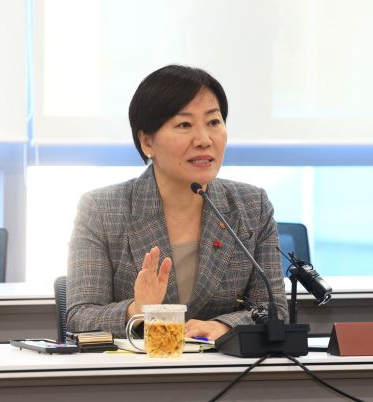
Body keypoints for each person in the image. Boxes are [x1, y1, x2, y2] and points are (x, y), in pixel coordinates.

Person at [66, 65, 289, 340]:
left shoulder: (252, 206)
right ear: (147, 142)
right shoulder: (103, 209)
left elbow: (274, 309)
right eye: (184, 125)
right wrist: (137, 310)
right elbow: (80, 317)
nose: (204, 140)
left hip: (225, 364)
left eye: (213, 122)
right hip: (140, 365)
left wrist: (224, 326)